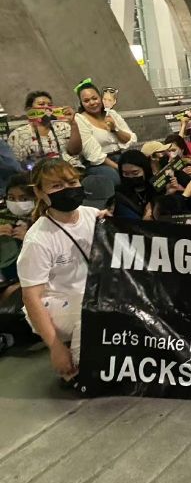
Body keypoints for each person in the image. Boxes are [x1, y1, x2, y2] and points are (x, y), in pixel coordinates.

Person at [17, 158, 99, 381]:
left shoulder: (93, 215)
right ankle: (78, 369)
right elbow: (31, 297)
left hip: (86, 295)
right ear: (40, 193)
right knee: (92, 310)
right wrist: (55, 346)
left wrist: (112, 229)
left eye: (72, 183)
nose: (68, 190)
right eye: (56, 186)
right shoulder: (38, 239)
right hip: (52, 304)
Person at [70, 79, 137, 183]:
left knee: (141, 167)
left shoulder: (112, 113)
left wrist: (115, 129)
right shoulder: (80, 119)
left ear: (101, 98)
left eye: (94, 98)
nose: (92, 103)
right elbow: (94, 154)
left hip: (120, 157)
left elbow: (130, 139)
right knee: (116, 178)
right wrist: (120, 168)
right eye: (86, 101)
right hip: (99, 164)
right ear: (81, 104)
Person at [8, 91, 77, 169]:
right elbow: (17, 165)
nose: (47, 107)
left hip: (70, 169)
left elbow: (75, 152)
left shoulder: (64, 127)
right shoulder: (18, 134)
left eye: (50, 105)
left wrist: (74, 124)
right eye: (41, 104)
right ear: (29, 109)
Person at [0, 173, 34, 288]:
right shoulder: (2, 216)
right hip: (6, 275)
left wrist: (31, 239)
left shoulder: (43, 218)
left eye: (24, 198)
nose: (17, 203)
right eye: (11, 198)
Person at [114, 150, 157, 220]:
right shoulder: (120, 196)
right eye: (126, 174)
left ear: (145, 170)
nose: (131, 177)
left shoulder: (156, 185)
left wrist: (169, 193)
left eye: (135, 173)